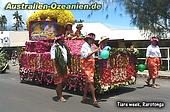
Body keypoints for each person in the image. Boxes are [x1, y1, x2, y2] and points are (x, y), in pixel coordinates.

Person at [80, 33, 100, 108]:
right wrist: (94, 51)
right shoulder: (84, 46)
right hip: (86, 66)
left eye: (93, 40)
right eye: (91, 39)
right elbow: (85, 56)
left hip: (90, 66)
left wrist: (97, 49)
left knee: (87, 82)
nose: (92, 41)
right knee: (91, 82)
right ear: (88, 39)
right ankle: (94, 100)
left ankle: (84, 98)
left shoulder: (91, 46)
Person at [50, 36, 71, 102]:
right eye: (62, 39)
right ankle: (60, 96)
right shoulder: (55, 47)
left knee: (64, 81)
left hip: (64, 65)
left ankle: (58, 91)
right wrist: (55, 69)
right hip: (58, 66)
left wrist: (67, 66)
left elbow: (66, 56)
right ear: (59, 40)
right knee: (60, 82)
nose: (63, 40)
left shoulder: (64, 46)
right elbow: (53, 59)